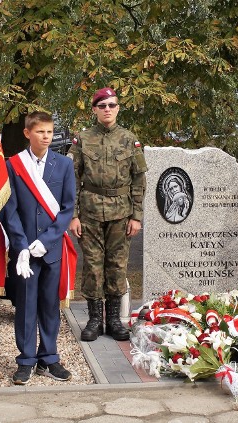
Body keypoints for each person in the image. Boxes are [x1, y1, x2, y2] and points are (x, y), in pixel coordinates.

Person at [2, 111, 76, 385]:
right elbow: (8, 210)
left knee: (48, 304)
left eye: (49, 132)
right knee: (25, 306)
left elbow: (68, 209)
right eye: (40, 132)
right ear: (27, 133)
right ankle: (25, 360)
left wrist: (46, 242)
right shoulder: (13, 165)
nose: (46, 137)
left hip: (51, 250)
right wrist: (22, 245)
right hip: (23, 252)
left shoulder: (64, 165)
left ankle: (49, 357)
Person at [67, 87, 147, 342]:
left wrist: (137, 216)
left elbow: (139, 179)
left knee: (117, 266)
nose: (107, 109)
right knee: (92, 266)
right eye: (102, 106)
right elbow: (72, 179)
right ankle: (94, 320)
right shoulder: (82, 139)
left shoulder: (129, 139)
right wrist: (73, 215)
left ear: (118, 108)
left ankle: (113, 320)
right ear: (94, 110)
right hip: (89, 212)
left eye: (112, 105)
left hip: (121, 213)